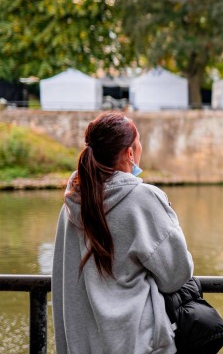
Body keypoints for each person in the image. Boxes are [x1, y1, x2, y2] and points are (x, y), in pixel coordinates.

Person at [52, 112, 194, 353]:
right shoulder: (143, 199)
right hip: (137, 343)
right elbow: (176, 274)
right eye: (139, 143)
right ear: (130, 153)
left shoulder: (70, 207)